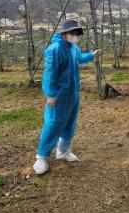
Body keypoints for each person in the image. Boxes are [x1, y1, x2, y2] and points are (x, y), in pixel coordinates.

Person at [33, 19, 102, 175]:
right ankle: (42, 157)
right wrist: (50, 94)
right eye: (72, 33)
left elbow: (80, 59)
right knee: (53, 124)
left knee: (70, 122)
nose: (75, 36)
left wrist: (92, 55)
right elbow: (49, 74)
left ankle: (63, 151)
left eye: (76, 33)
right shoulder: (54, 50)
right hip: (58, 96)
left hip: (73, 93)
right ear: (64, 33)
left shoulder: (73, 47)